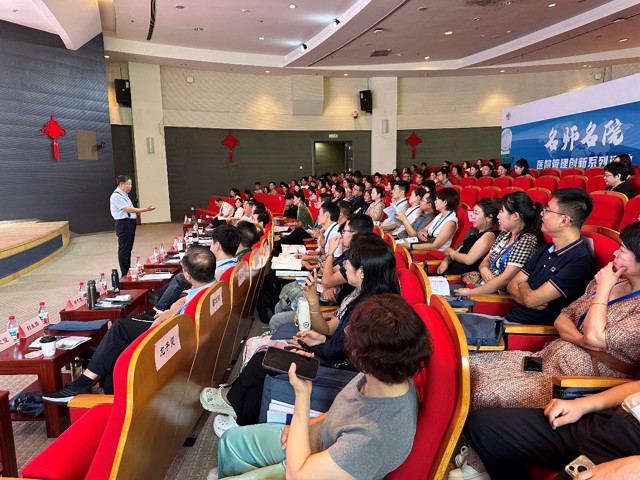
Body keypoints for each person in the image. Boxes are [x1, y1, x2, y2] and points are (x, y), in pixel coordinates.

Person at [209, 294, 431, 480]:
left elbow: (297, 475)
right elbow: (344, 412)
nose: (346, 333)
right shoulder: (387, 373)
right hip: (320, 442)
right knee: (230, 440)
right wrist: (304, 425)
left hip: (312, 467)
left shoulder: (372, 439)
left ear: (364, 358)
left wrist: (303, 395)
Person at [200, 233, 399, 428]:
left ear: (362, 272)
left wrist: (310, 346)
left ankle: (234, 407)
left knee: (265, 362)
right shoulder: (362, 295)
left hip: (339, 373)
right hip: (333, 359)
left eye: (349, 262)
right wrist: (319, 338)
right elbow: (336, 335)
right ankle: (235, 405)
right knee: (264, 362)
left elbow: (339, 351)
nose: (344, 265)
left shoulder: (371, 309)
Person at [466, 221, 640, 413]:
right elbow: (563, 317)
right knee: (470, 365)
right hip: (548, 358)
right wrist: (579, 339)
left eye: (622, 250)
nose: (615, 253)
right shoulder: (607, 282)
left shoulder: (618, 292)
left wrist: (604, 290)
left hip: (577, 379)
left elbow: (595, 337)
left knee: (484, 392)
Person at [43, 246, 216, 403]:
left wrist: (161, 320)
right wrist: (173, 308)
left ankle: (84, 381)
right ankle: (96, 365)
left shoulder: (198, 300)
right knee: (119, 336)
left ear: (188, 276)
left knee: (120, 328)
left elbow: (175, 320)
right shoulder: (212, 288)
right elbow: (186, 301)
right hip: (179, 329)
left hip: (172, 336)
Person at [460, 379, 640, 480]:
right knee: (483, 427)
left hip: (631, 453)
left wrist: (634, 468)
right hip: (614, 417)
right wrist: (581, 404)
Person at [268, 215, 374, 332]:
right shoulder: (350, 254)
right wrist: (328, 281)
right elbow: (325, 271)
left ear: (355, 234)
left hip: (329, 303)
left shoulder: (357, 259)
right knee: (280, 305)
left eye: (344, 231)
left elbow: (327, 279)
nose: (341, 235)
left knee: (276, 320)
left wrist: (331, 253)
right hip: (328, 299)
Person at [453, 192, 543, 296]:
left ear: (515, 216)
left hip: (495, 295)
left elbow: (504, 280)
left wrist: (470, 292)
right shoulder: (504, 235)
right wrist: (484, 270)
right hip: (481, 286)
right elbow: (485, 261)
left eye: (501, 211)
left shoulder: (527, 241)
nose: (498, 216)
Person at [153, 224, 241, 312]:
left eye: (212, 242)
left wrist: (185, 296)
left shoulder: (221, 272)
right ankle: (157, 298)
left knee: (181, 277)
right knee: (181, 277)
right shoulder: (235, 265)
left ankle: (158, 307)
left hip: (202, 296)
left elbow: (204, 287)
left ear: (217, 245)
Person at [437, 198, 499, 275]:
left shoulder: (489, 235)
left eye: (476, 213)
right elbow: (458, 250)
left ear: (488, 218)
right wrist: (446, 261)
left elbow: (468, 260)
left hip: (459, 276)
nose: (472, 216)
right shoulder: (474, 232)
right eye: (473, 212)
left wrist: (451, 253)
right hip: (451, 270)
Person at [110, 175, 155, 276]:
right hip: (123, 224)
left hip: (129, 223)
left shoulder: (125, 195)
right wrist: (145, 210)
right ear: (121, 184)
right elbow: (128, 209)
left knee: (128, 248)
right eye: (128, 184)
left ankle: (128, 269)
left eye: (131, 184)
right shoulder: (116, 196)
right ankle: (125, 273)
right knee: (124, 249)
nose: (130, 186)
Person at [403, 187, 459, 253]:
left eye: (437, 199)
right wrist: (422, 233)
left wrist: (410, 246)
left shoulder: (450, 222)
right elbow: (424, 229)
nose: (434, 202)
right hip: (426, 245)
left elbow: (434, 246)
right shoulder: (440, 215)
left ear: (445, 202)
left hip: (435, 253)